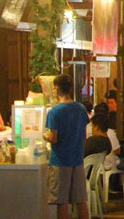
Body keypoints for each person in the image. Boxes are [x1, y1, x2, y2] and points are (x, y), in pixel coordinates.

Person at [45, 74, 90, 219]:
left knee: (62, 202)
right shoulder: (81, 108)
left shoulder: (55, 111)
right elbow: (83, 135)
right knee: (80, 201)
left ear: (57, 89)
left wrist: (44, 136)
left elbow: (53, 137)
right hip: (77, 159)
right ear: (70, 89)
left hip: (60, 161)